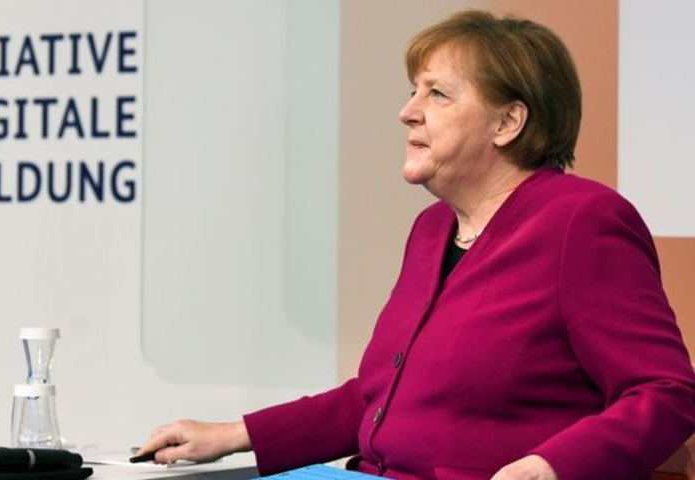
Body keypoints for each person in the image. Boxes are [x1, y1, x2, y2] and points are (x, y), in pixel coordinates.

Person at [136, 10, 695, 480]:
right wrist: (233, 435)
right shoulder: (432, 230)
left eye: (438, 94)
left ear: (508, 122)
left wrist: (548, 466)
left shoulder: (582, 221)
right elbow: (378, 398)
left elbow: (665, 391)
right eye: (414, 91)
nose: (408, 110)